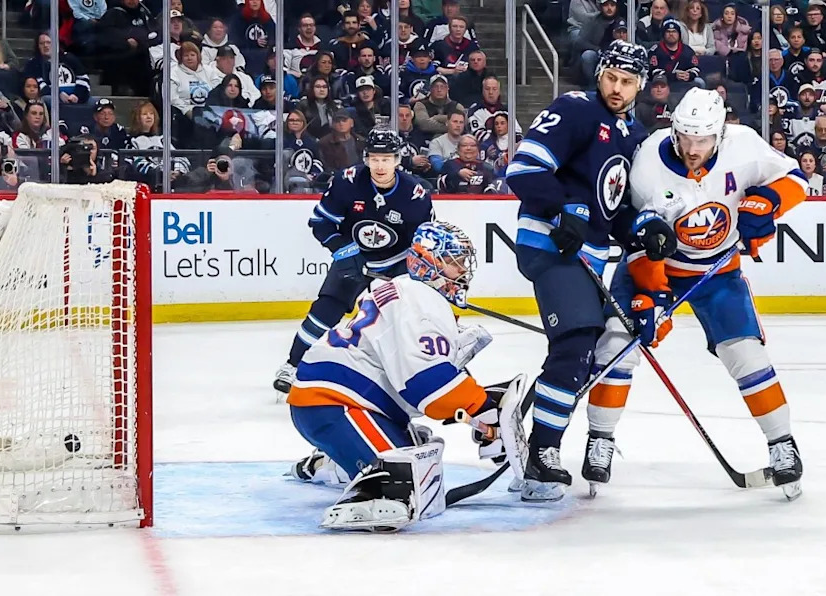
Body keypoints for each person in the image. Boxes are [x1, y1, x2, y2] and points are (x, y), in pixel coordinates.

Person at [582, 88, 807, 501]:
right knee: (617, 344)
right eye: (685, 137)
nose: (692, 148)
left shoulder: (744, 145)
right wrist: (648, 296)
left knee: (746, 355)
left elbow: (796, 179)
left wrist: (769, 202)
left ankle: (782, 445)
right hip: (657, 265)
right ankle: (600, 438)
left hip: (719, 270)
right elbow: (638, 237)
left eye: (701, 140)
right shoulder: (649, 161)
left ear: (719, 134)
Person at [287, 220, 527, 532]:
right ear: (431, 263)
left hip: (343, 402)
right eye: (455, 262)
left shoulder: (410, 293)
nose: (463, 271)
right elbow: (425, 386)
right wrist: (481, 406)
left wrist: (478, 413)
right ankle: (351, 471)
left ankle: (331, 463)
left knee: (419, 452)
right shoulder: (421, 300)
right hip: (335, 403)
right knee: (401, 484)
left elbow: (421, 380)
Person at [504, 40, 651, 502]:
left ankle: (530, 432)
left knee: (582, 348)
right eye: (611, 78)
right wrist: (563, 211)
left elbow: (612, 210)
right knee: (575, 342)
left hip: (587, 254)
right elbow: (523, 170)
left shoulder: (634, 134)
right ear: (600, 74)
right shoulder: (576, 109)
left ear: (639, 87)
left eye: (627, 82)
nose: (617, 88)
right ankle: (542, 452)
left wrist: (643, 231)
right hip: (547, 243)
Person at [273, 129, 435, 395]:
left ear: (397, 160)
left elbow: (421, 242)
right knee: (326, 309)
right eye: (374, 158)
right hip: (352, 255)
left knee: (406, 318)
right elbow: (321, 223)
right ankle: (293, 365)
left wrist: (406, 274)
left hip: (396, 262)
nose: (380, 165)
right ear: (366, 158)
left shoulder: (415, 194)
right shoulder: (347, 182)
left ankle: (412, 372)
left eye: (386, 159)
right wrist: (343, 250)